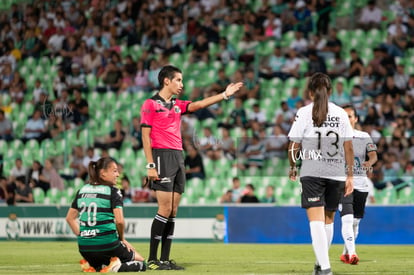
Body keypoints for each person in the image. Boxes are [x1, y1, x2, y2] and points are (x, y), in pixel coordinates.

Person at [140, 65, 242, 270]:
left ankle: (165, 259)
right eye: (178, 80)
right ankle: (152, 260)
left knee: (173, 210)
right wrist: (150, 165)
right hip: (162, 155)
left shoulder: (177, 105)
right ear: (166, 81)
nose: (182, 84)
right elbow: (145, 136)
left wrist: (224, 95)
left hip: (178, 156)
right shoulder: (150, 104)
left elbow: (199, 104)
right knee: (165, 208)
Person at [288, 72, 354, 275]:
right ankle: (320, 264)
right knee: (328, 219)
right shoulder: (342, 113)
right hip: (336, 173)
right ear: (330, 91)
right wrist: (350, 175)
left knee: (315, 221)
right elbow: (349, 147)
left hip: (312, 171)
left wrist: (292, 166)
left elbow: (294, 144)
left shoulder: (304, 112)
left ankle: (325, 268)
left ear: (309, 92)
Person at [65, 157, 146, 273]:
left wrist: (83, 235)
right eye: (114, 171)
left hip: (84, 248)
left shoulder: (82, 190)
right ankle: (114, 267)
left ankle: (96, 265)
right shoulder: (113, 191)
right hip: (108, 244)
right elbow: (120, 221)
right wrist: (122, 239)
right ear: (102, 173)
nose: (118, 174)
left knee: (102, 260)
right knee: (142, 263)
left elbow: (69, 219)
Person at [339, 105, 378, 265]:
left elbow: (374, 155)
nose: (347, 119)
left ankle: (345, 253)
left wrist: (370, 162)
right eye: (345, 116)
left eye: (350, 116)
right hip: (343, 182)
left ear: (355, 119)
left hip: (361, 183)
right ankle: (353, 254)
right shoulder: (334, 137)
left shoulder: (364, 136)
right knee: (347, 219)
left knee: (355, 221)